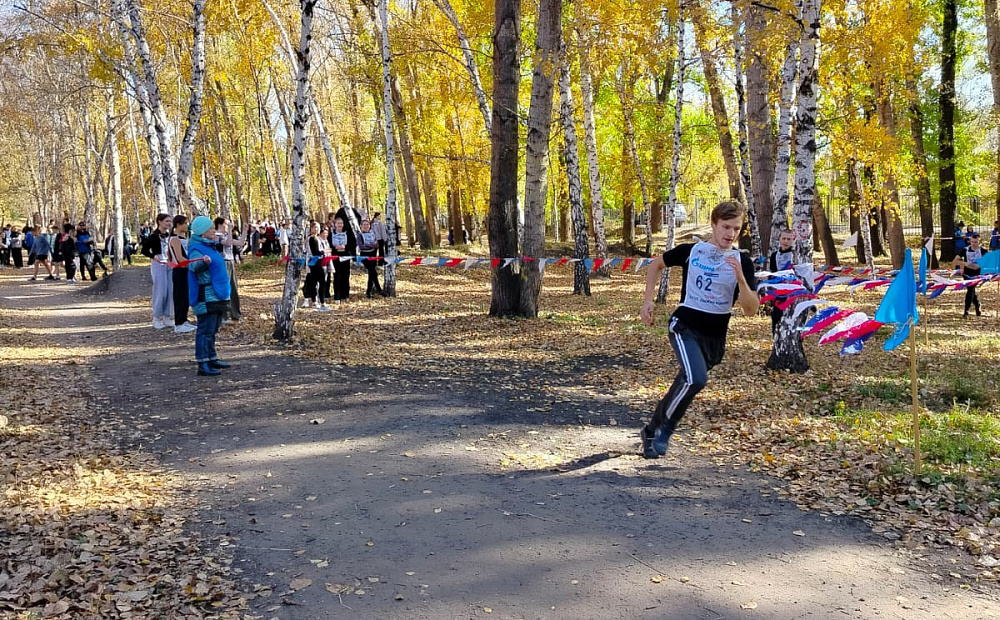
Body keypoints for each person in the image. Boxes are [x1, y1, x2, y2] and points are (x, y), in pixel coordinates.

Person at [638, 201, 759, 459]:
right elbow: (655, 265)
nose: (730, 233)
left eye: (736, 229)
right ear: (714, 224)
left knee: (685, 382)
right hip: (684, 325)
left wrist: (741, 280)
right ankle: (666, 430)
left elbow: (751, 309)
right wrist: (648, 301)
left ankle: (650, 429)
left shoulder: (742, 261)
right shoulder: (693, 251)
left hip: (715, 336)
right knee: (695, 379)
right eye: (726, 227)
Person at [186, 216, 232, 376]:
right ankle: (202, 363)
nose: (214, 230)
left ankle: (212, 358)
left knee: (213, 329)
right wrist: (202, 262)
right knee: (205, 329)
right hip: (205, 296)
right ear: (202, 232)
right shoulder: (196, 248)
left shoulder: (210, 246)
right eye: (211, 228)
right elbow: (192, 266)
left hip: (217, 295)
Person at [141, 213, 174, 329]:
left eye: (170, 221)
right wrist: (153, 256)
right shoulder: (154, 236)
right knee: (161, 290)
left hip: (169, 263)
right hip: (159, 263)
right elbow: (144, 250)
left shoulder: (170, 235)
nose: (169, 223)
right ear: (159, 222)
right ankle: (156, 317)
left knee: (170, 290)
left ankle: (167, 317)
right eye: (167, 221)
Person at [215, 217, 249, 321]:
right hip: (223, 263)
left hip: (230, 262)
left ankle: (235, 313)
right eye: (227, 224)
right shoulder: (216, 236)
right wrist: (229, 230)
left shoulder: (225, 235)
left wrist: (244, 231)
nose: (229, 226)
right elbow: (228, 243)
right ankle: (224, 315)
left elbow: (240, 243)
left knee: (233, 288)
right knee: (224, 289)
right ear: (220, 224)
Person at [169, 215, 197, 333]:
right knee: (180, 296)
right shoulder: (174, 239)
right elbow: (179, 257)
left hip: (186, 269)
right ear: (178, 225)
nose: (187, 225)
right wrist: (192, 263)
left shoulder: (184, 238)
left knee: (185, 295)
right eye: (185, 223)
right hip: (180, 270)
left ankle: (184, 320)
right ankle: (179, 323)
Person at [767, 227, 796, 333]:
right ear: (779, 239)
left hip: (793, 292)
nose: (786, 241)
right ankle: (776, 341)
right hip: (778, 292)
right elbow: (772, 274)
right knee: (776, 317)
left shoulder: (796, 256)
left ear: (793, 240)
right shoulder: (774, 256)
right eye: (784, 238)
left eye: (789, 239)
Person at [954, 232, 987, 317]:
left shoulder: (983, 251)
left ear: (979, 242)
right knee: (970, 290)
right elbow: (955, 261)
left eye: (976, 242)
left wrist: (981, 265)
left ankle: (967, 310)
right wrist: (965, 263)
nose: (973, 244)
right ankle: (974, 306)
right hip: (967, 274)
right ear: (970, 241)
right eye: (972, 242)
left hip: (977, 275)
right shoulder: (965, 250)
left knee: (970, 290)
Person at [302, 221, 331, 311]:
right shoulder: (312, 238)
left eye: (318, 227)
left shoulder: (318, 238)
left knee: (321, 283)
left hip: (319, 262)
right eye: (314, 227)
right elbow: (316, 252)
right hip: (315, 263)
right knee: (316, 282)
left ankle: (320, 301)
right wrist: (325, 251)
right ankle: (316, 302)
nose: (316, 229)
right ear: (311, 229)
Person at [358, 219, 383, 298]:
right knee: (373, 272)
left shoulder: (373, 233)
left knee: (371, 273)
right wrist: (371, 245)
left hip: (373, 255)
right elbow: (361, 246)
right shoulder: (359, 235)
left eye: (367, 224)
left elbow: (377, 244)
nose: (366, 226)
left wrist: (370, 245)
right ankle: (379, 290)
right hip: (364, 256)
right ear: (361, 226)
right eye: (364, 225)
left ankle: (368, 292)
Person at [329, 217, 351, 303]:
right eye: (338, 223)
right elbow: (329, 245)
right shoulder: (331, 235)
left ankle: (345, 295)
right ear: (335, 224)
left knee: (346, 275)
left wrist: (345, 247)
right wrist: (335, 248)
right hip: (336, 257)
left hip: (346, 257)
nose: (340, 225)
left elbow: (351, 245)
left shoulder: (347, 234)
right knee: (337, 276)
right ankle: (337, 296)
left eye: (341, 223)